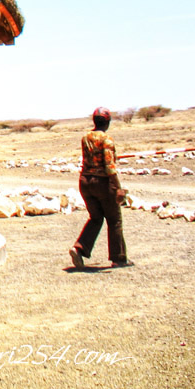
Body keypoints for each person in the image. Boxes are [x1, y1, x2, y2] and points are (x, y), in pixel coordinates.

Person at [69, 108, 132, 269]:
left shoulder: (85, 138)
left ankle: (80, 248)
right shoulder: (107, 140)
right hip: (102, 182)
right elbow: (109, 167)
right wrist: (117, 188)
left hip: (85, 181)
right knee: (114, 219)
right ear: (107, 122)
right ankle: (119, 258)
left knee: (96, 218)